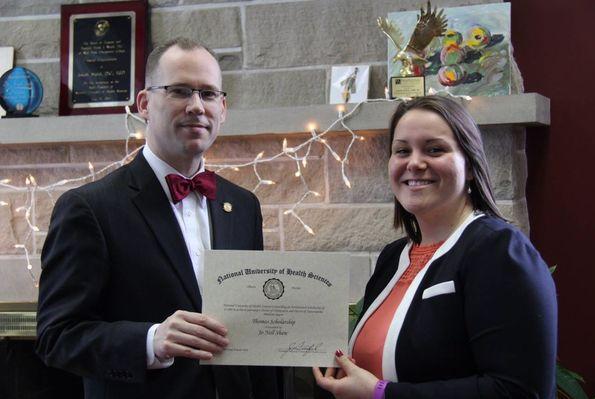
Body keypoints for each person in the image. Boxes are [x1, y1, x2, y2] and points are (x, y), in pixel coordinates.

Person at [36, 37, 281, 399]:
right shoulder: (89, 208)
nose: (197, 106)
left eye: (209, 94)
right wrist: (151, 340)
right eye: (180, 90)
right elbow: (57, 336)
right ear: (145, 104)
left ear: (223, 108)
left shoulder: (243, 205)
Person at [314, 95, 557, 399]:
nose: (414, 163)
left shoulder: (499, 251)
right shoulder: (394, 257)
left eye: (434, 149)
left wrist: (381, 394)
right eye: (402, 150)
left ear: (469, 165)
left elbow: (518, 391)